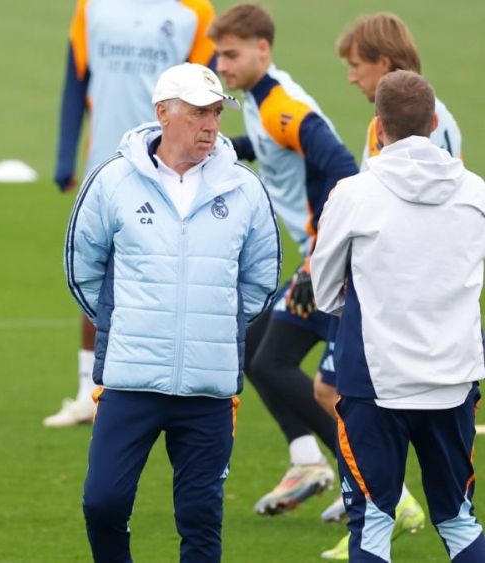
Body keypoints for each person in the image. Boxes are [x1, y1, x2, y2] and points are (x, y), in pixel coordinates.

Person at [67, 62, 280, 563]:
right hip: (129, 379)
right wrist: (126, 324)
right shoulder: (113, 181)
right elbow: (83, 269)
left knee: (202, 521)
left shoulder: (244, 188)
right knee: (103, 503)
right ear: (164, 113)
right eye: (199, 113)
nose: (211, 125)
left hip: (209, 388)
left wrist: (213, 328)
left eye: (216, 114)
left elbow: (260, 281)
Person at [311, 69, 485, 563]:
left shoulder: (353, 194)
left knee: (373, 526)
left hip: (375, 384)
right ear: (434, 122)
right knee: (457, 520)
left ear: (378, 125)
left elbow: (325, 291)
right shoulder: (476, 193)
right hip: (453, 380)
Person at [207, 3, 359, 518]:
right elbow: (272, 149)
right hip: (327, 254)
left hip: (334, 257)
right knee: (253, 349)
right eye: (218, 55)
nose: (221, 66)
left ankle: (360, 473)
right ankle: (308, 462)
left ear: (262, 49)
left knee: (271, 361)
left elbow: (341, 167)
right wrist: (225, 146)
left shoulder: (281, 105)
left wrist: (323, 253)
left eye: (231, 55)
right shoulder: (257, 99)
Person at [47, 0, 217, 429]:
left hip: (171, 168)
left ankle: (166, 385)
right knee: (95, 268)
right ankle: (90, 389)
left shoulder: (196, 12)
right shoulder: (92, 7)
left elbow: (210, 97)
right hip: (104, 163)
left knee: (169, 273)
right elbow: (76, 79)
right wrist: (66, 154)